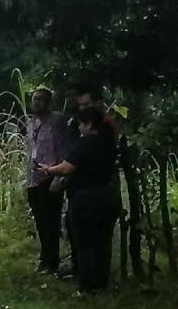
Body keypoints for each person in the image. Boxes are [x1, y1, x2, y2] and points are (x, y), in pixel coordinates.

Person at [38, 106, 118, 294]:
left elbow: (67, 168)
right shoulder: (109, 143)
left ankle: (87, 286)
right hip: (108, 196)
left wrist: (49, 170)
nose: (80, 128)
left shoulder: (85, 143)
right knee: (103, 242)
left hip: (86, 198)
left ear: (89, 125)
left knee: (85, 243)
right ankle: (102, 282)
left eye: (81, 124)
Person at [26, 89, 67, 274]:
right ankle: (44, 257)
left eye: (41, 100)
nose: (37, 103)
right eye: (35, 99)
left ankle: (52, 261)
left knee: (51, 221)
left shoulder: (57, 121)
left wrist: (59, 177)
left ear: (49, 102)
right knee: (40, 220)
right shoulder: (31, 122)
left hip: (51, 174)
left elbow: (63, 148)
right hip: (33, 176)